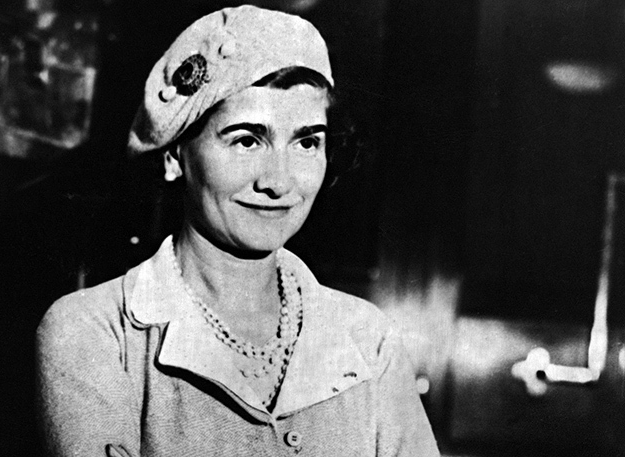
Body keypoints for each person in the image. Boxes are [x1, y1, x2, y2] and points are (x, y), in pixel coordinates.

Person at [35, 5, 440, 456]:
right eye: (246, 140)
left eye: (307, 142)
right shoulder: (93, 332)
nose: (279, 182)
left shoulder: (369, 340)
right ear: (174, 156)